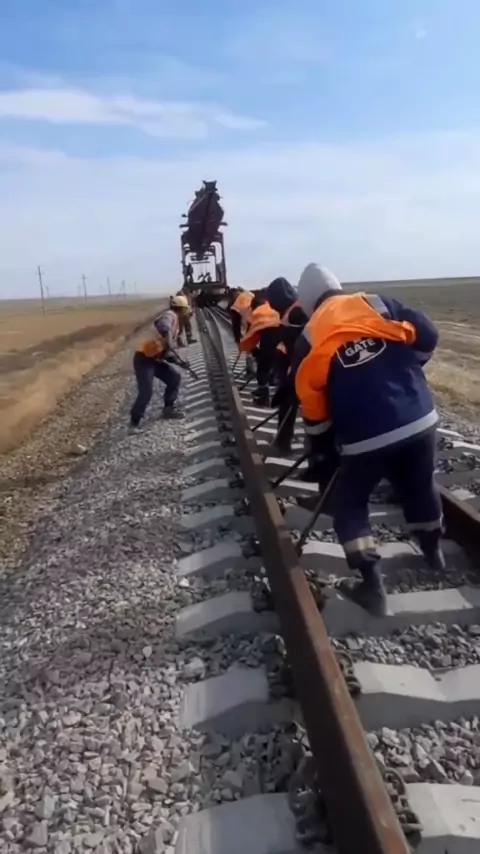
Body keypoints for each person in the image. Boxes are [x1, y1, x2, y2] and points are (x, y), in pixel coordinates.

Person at [294, 263, 443, 616]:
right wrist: (411, 367)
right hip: (420, 417)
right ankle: (432, 552)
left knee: (350, 502)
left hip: (363, 434)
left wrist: (321, 444)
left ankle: (371, 585)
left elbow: (312, 399)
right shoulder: (377, 302)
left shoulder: (310, 335)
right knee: (421, 485)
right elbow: (428, 333)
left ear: (308, 302)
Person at [130, 295, 190, 427]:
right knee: (146, 391)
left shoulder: (175, 322)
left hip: (154, 359)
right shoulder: (170, 315)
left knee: (174, 378)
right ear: (182, 309)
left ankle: (168, 408)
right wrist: (167, 337)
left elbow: (166, 352)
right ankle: (135, 420)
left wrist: (180, 363)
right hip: (143, 359)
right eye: (186, 310)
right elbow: (163, 325)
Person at [264, 277, 309, 455]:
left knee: (290, 401)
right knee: (291, 402)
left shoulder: (296, 313)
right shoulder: (296, 308)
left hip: (302, 364)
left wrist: (292, 370)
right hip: (299, 361)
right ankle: (284, 440)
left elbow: (299, 344)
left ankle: (283, 443)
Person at [239, 291, 281, 405]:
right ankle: (275, 394)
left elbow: (252, 336)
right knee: (277, 368)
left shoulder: (257, 313)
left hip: (269, 342)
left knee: (263, 368)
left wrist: (253, 351)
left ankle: (264, 397)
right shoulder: (274, 308)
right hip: (283, 343)